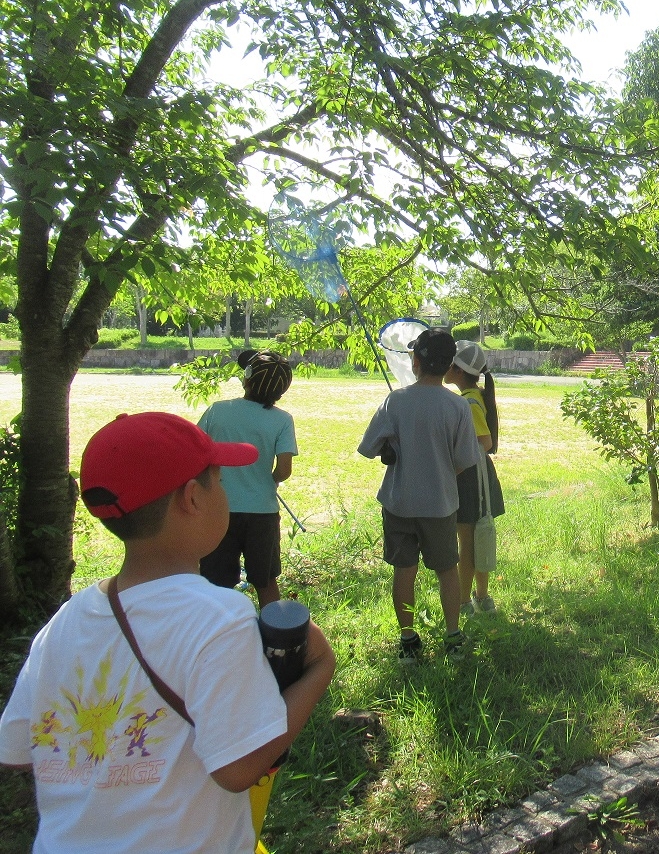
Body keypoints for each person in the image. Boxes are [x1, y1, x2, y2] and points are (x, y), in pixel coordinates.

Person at [0, 412, 336, 854]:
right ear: (192, 498)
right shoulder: (220, 617)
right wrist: (319, 669)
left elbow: (17, 750)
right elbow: (238, 769)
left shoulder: (67, 620)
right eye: (219, 480)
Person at [358, 329, 479, 660]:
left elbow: (368, 448)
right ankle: (453, 636)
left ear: (416, 361)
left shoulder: (396, 401)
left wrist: (390, 445)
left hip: (399, 503)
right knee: (447, 570)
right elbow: (464, 460)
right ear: (447, 363)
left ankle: (409, 641)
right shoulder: (457, 406)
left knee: (404, 571)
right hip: (440, 504)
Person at [198, 349, 298, 607]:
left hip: (218, 510)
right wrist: (270, 480)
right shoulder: (283, 420)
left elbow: (197, 455)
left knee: (215, 583)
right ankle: (274, 640)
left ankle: (217, 635)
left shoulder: (217, 411)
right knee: (265, 582)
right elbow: (284, 470)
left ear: (247, 378)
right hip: (262, 513)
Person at [445, 340, 505, 616]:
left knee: (468, 541)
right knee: (480, 536)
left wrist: (452, 471)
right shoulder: (475, 395)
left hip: (471, 477)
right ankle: (482, 597)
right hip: (480, 475)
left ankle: (465, 602)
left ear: (457, 369)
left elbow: (484, 441)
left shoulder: (467, 402)